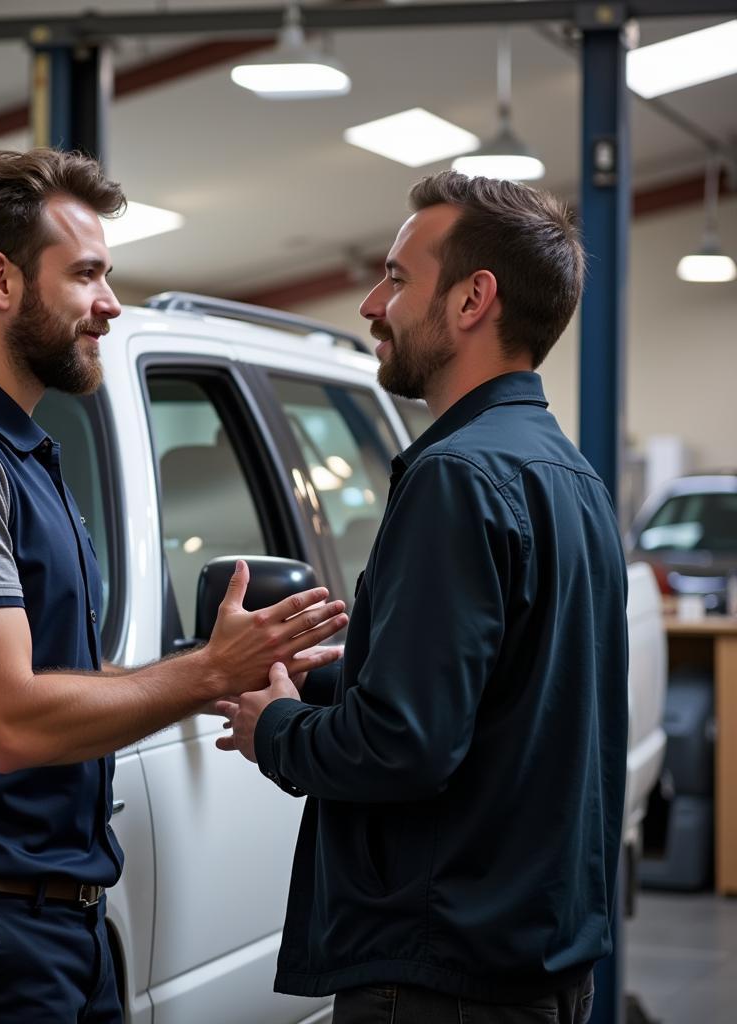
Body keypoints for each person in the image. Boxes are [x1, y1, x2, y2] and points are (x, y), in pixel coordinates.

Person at [0, 148, 347, 1024]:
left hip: (49, 924)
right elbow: (8, 721)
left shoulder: (19, 451)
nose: (109, 304)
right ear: (0, 280)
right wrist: (206, 674)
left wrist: (210, 680)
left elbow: (52, 680)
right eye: (86, 275)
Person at [218, 170, 629, 1024]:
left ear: (475, 298)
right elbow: (509, 696)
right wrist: (348, 673)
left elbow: (405, 748)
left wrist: (278, 730)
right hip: (540, 968)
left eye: (399, 278)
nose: (373, 303)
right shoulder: (570, 474)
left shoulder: (456, 476)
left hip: (441, 981)